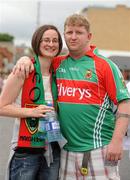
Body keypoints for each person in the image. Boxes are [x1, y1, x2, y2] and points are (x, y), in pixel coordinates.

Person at [12, 14, 130, 179]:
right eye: (69, 32)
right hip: (66, 151)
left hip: (99, 148)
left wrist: (117, 141)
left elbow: (125, 103)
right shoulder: (57, 63)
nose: (73, 37)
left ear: (89, 36)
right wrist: (24, 59)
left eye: (79, 32)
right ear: (64, 35)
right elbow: (39, 60)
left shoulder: (105, 65)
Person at [0, 24, 63, 180]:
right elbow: (2, 106)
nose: (51, 44)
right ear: (37, 42)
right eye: (46, 40)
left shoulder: (60, 72)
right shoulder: (23, 70)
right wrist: (30, 112)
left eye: (55, 40)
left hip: (53, 148)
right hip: (27, 148)